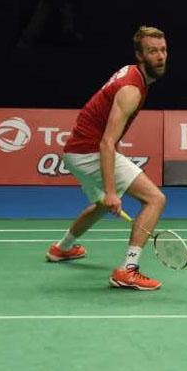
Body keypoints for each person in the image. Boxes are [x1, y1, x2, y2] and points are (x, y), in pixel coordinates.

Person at [46, 26, 168, 291]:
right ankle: (128, 269)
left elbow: (109, 132)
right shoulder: (132, 90)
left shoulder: (131, 74)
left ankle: (62, 248)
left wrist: (108, 194)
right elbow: (106, 142)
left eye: (163, 50)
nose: (160, 56)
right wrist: (113, 191)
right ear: (140, 55)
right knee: (155, 199)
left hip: (75, 151)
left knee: (101, 205)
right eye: (152, 51)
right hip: (88, 151)